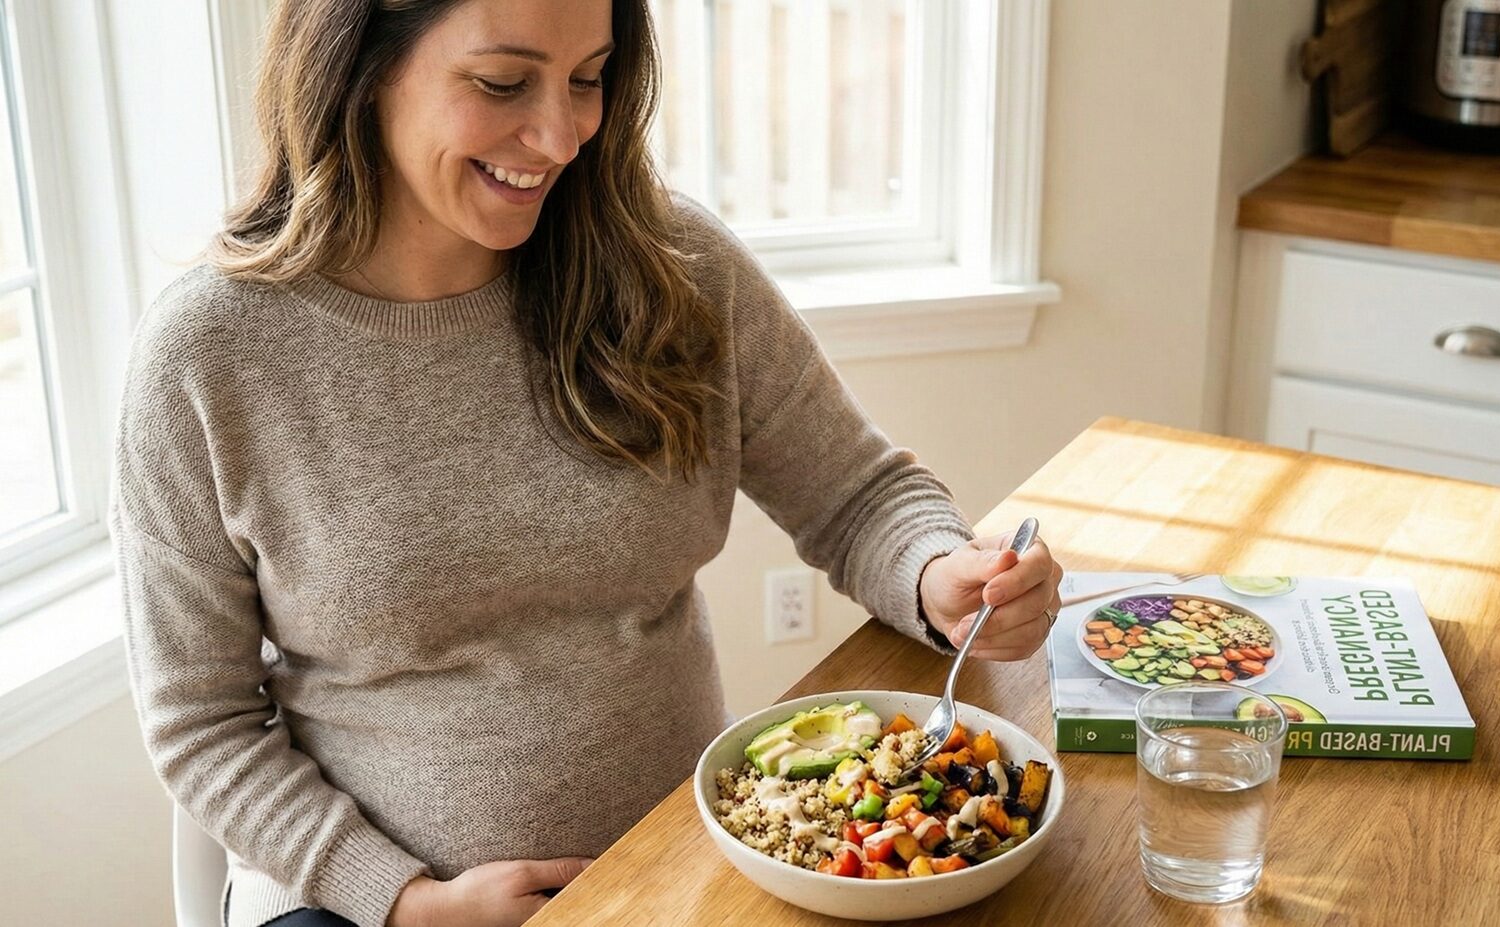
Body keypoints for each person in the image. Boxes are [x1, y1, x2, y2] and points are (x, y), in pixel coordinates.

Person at [110, 1, 1064, 926]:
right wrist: (404, 901)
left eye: (589, 78)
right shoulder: (209, 355)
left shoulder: (670, 264)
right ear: (360, 65)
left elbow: (855, 494)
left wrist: (941, 574)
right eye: (503, 81)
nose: (561, 137)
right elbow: (204, 723)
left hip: (682, 867)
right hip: (353, 902)